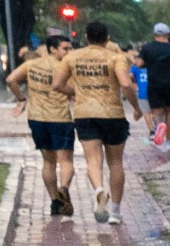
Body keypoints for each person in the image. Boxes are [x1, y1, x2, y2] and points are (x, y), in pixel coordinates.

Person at [59, 21, 139, 225]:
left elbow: (57, 84)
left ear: (86, 37)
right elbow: (126, 83)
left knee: (93, 160)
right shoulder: (116, 57)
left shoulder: (72, 57)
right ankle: (116, 213)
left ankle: (98, 189)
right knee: (116, 163)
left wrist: (77, 93)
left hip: (85, 114)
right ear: (107, 38)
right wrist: (136, 107)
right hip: (113, 114)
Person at [15, 33, 76, 214]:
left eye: (70, 48)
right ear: (52, 49)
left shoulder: (31, 65)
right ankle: (64, 189)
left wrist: (21, 99)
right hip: (60, 118)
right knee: (66, 160)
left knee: (48, 161)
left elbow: (11, 79)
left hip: (37, 119)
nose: (69, 52)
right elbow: (73, 91)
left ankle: (55, 201)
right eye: (65, 48)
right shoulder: (65, 68)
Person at [138, 24, 170, 149]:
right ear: (167, 34)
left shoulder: (147, 48)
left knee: (157, 111)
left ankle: (159, 127)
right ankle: (169, 141)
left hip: (154, 84)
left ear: (155, 34)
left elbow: (139, 63)